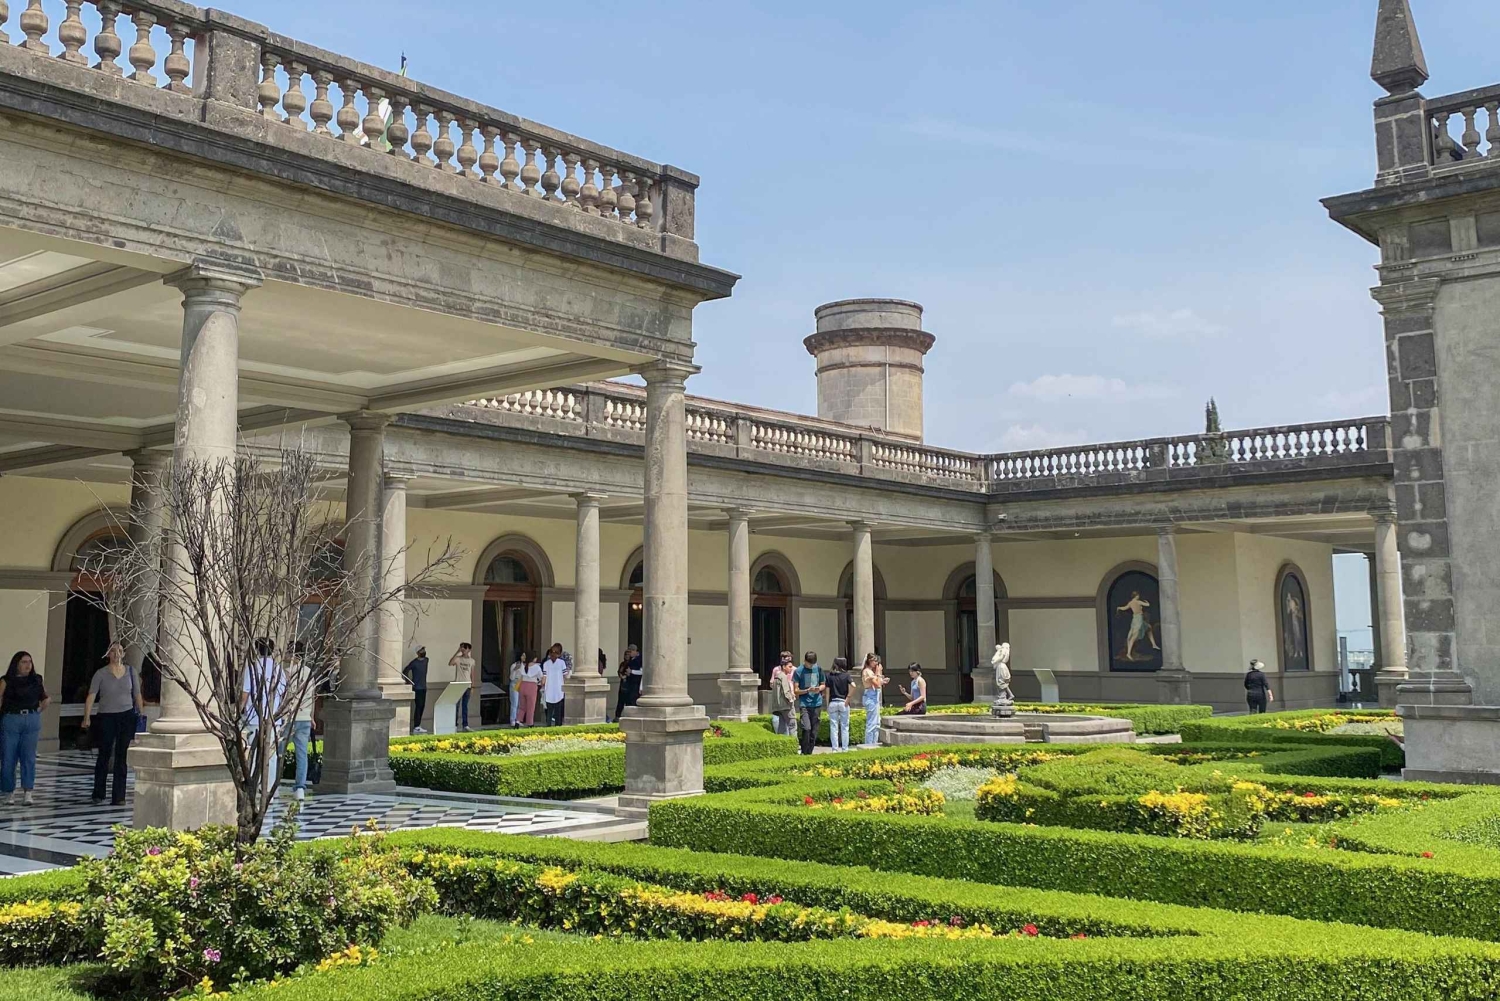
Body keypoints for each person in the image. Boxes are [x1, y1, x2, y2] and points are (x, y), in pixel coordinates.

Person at [81, 642, 143, 806]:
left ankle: (119, 796)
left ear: (123, 654)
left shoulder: (131, 672)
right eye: (113, 651)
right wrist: (86, 717)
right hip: (106, 716)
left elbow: (137, 694)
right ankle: (98, 793)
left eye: (120, 651)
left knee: (121, 756)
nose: (117, 654)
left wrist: (141, 715)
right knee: (104, 754)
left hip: (126, 716)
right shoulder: (101, 674)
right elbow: (91, 695)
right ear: (108, 654)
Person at [0, 651, 47, 807]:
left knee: (28, 757)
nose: (27, 665)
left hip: (31, 719)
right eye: (24, 662)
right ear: (16, 664)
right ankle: (9, 792)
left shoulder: (36, 679)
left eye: (29, 662)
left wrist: (39, 710)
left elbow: (45, 698)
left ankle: (28, 791)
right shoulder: (6, 680)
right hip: (11, 718)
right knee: (8, 757)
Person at [241, 637, 286, 795]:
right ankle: (269, 790)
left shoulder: (252, 668)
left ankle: (254, 786)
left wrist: (239, 711)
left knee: (253, 753)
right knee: (271, 755)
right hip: (273, 718)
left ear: (256, 649)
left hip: (254, 717)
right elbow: (283, 692)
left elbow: (245, 693)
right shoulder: (278, 668)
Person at [285, 641, 314, 800]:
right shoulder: (310, 672)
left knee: (279, 753)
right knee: (301, 754)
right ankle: (300, 788)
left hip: (289, 718)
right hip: (305, 717)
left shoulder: (287, 673)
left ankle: (272, 785)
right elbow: (313, 696)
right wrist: (312, 716)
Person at [792, 651, 826, 756]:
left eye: (813, 664)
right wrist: (807, 690)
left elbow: (823, 684)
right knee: (806, 728)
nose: (811, 666)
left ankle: (809, 752)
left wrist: (818, 689)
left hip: (817, 703)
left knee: (814, 731)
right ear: (805, 661)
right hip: (804, 704)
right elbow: (796, 690)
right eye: (809, 664)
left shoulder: (818, 669)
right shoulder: (799, 671)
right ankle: (804, 751)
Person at [825, 656, 852, 752]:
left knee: (833, 726)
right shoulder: (846, 675)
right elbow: (853, 686)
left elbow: (827, 692)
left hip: (833, 702)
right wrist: (848, 697)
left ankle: (834, 749)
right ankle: (845, 749)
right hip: (843, 702)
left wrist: (827, 704)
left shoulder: (829, 676)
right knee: (845, 727)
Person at [860, 653, 887, 748]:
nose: (876, 663)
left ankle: (874, 743)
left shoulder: (870, 672)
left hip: (873, 696)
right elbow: (877, 684)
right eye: (874, 661)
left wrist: (882, 680)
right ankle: (869, 745)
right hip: (871, 697)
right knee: (872, 723)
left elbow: (878, 683)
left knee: (877, 722)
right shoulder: (867, 671)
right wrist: (878, 673)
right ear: (869, 661)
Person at [541, 643, 571, 726]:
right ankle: (557, 726)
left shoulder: (547, 664)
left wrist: (542, 685)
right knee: (557, 712)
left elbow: (544, 678)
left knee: (550, 711)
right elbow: (565, 676)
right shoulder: (561, 663)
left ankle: (549, 726)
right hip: (557, 690)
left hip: (552, 690)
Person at [403, 646, 430, 734]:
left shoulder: (426, 660)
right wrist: (408, 681)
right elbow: (405, 671)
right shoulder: (414, 663)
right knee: (418, 707)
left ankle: (418, 725)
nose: (423, 651)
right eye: (421, 650)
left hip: (423, 687)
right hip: (417, 687)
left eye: (424, 650)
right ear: (418, 653)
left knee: (422, 706)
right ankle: (416, 726)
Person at [449, 643, 475, 731]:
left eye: (465, 648)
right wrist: (457, 652)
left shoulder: (472, 661)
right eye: (462, 648)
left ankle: (465, 725)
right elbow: (450, 663)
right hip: (458, 684)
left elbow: (472, 674)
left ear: (469, 650)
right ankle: (454, 724)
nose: (463, 650)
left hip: (467, 685)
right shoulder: (458, 659)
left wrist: (472, 686)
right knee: (456, 706)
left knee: (465, 705)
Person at [768, 652, 796, 736]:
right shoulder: (783, 676)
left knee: (782, 726)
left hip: (779, 706)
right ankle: (794, 743)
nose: (791, 669)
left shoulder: (777, 676)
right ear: (784, 667)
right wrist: (791, 699)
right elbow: (786, 691)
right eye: (789, 667)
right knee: (792, 725)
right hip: (786, 705)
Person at [613, 644, 642, 722]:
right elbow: (621, 671)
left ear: (635, 651)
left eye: (631, 652)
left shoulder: (640, 660)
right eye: (627, 652)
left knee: (632, 701)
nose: (629, 654)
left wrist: (631, 672)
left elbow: (642, 672)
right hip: (627, 685)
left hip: (635, 685)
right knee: (623, 701)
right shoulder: (627, 662)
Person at [516, 653, 543, 727]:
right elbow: (541, 677)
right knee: (531, 707)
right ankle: (530, 723)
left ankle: (518, 721)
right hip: (532, 686)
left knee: (522, 706)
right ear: (533, 658)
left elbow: (519, 676)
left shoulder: (523, 666)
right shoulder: (537, 667)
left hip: (523, 685)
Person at [509, 651, 527, 727]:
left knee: (521, 703)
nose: (524, 657)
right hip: (515, 683)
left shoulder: (526, 665)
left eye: (525, 656)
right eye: (523, 655)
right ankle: (513, 719)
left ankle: (518, 720)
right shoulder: (514, 665)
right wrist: (515, 669)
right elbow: (511, 677)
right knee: (515, 702)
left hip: (523, 683)